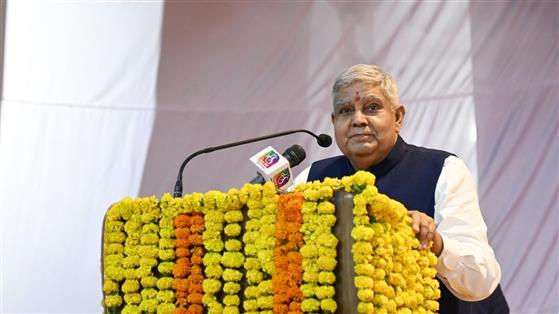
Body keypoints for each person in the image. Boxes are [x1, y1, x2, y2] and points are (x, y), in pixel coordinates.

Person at [294, 64, 509, 313]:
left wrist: (436, 243)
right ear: (334, 122)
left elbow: (482, 278)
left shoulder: (441, 169)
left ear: (397, 117)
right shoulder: (312, 179)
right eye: (345, 111)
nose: (358, 120)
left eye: (372, 107)